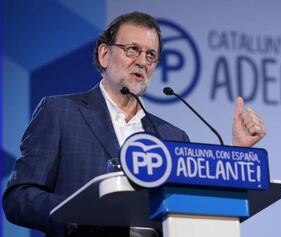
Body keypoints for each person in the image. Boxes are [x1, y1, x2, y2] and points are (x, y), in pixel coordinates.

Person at [2, 11, 266, 237]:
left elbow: (197, 207)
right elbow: (19, 197)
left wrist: (240, 151)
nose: (142, 61)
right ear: (105, 54)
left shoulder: (173, 136)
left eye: (151, 55)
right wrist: (77, 212)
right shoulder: (60, 112)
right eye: (132, 50)